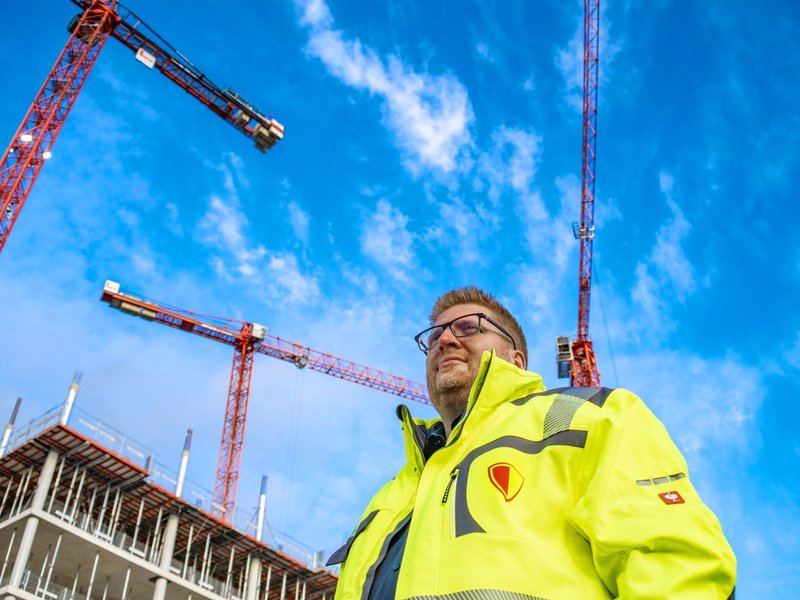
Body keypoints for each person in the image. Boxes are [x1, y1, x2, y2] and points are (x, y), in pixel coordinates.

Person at [328, 286, 736, 599]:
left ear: (516, 359)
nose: (444, 341)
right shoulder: (391, 494)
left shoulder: (590, 415)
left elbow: (676, 564)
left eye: (468, 327)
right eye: (433, 337)